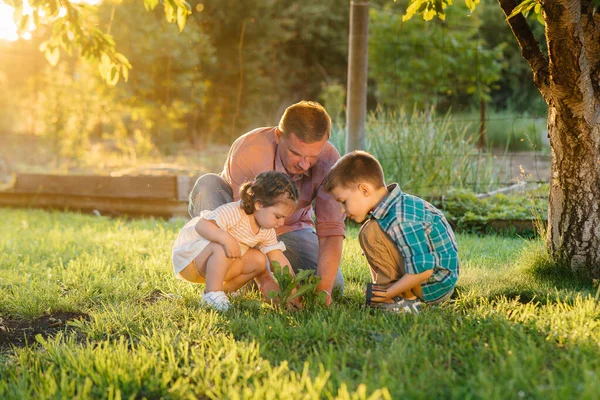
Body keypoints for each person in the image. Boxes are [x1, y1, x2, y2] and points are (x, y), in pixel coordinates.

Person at [188, 101, 345, 305]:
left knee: (336, 284)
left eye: (312, 156)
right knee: (207, 184)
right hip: (236, 224)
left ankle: (242, 273)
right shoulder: (251, 149)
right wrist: (265, 278)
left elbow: (332, 230)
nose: (304, 164)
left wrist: (324, 290)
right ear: (279, 136)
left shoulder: (329, 160)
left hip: (291, 229)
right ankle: (227, 275)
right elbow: (244, 221)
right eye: (296, 153)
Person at [323, 150, 459, 313]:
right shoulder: (395, 207)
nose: (342, 210)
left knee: (371, 233)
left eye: (343, 201)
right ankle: (390, 294)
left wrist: (388, 292)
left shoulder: (399, 219)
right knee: (369, 231)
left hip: (434, 286)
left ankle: (402, 302)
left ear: (364, 190)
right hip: (437, 281)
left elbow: (424, 270)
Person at [173, 171, 299, 311]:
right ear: (259, 205)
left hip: (217, 267)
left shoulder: (267, 230)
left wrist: (291, 287)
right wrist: (226, 239)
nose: (281, 223)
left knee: (259, 260)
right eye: (277, 216)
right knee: (221, 246)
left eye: (284, 218)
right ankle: (211, 294)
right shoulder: (235, 212)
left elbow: (278, 258)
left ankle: (225, 291)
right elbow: (201, 225)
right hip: (192, 261)